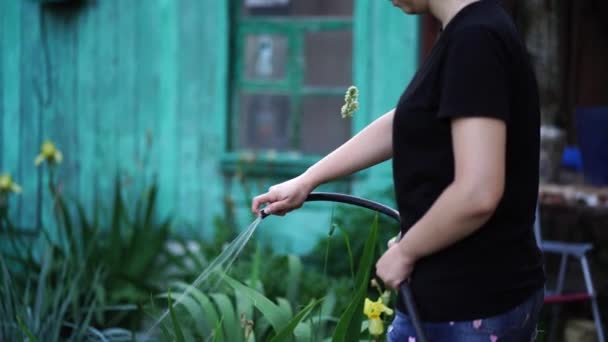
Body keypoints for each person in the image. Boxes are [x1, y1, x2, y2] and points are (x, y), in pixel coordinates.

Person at [251, 0, 545, 340]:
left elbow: (478, 192)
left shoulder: (475, 39)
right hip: (478, 295)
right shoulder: (470, 29)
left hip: (466, 305)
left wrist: (408, 250)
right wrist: (308, 179)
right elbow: (412, 119)